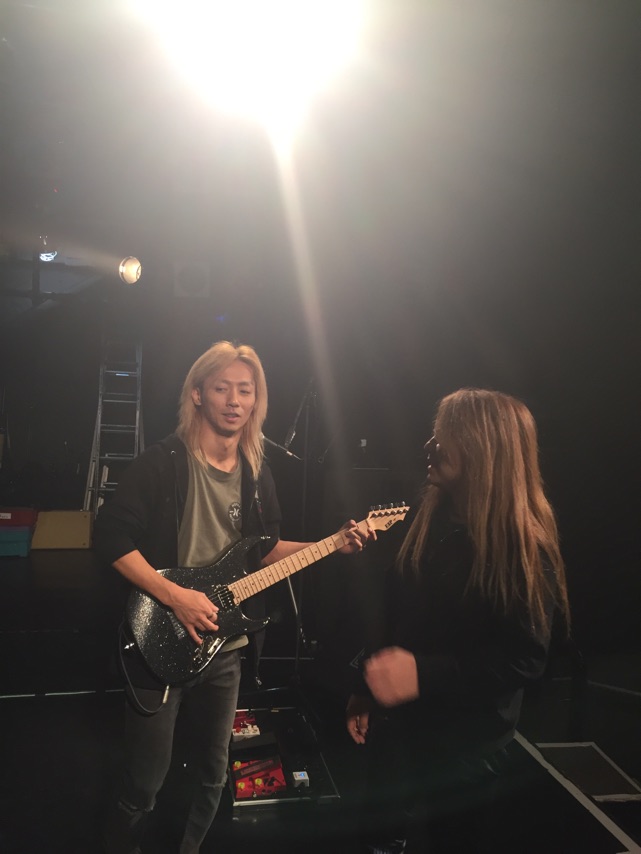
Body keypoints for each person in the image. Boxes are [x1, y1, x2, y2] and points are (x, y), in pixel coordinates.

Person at [93, 340, 370, 854]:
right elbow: (109, 537)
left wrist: (333, 543)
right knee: (145, 782)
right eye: (222, 388)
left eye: (246, 390)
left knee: (212, 774)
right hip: (161, 635)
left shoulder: (257, 472)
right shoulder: (162, 463)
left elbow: (263, 551)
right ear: (198, 394)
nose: (235, 400)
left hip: (226, 645)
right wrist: (175, 596)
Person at [346, 388, 570, 853]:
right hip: (402, 732)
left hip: (467, 748)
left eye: (442, 437)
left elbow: (524, 659)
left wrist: (422, 675)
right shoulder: (426, 520)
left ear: (482, 449)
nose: (429, 447)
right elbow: (394, 614)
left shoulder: (524, 547)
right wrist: (365, 686)